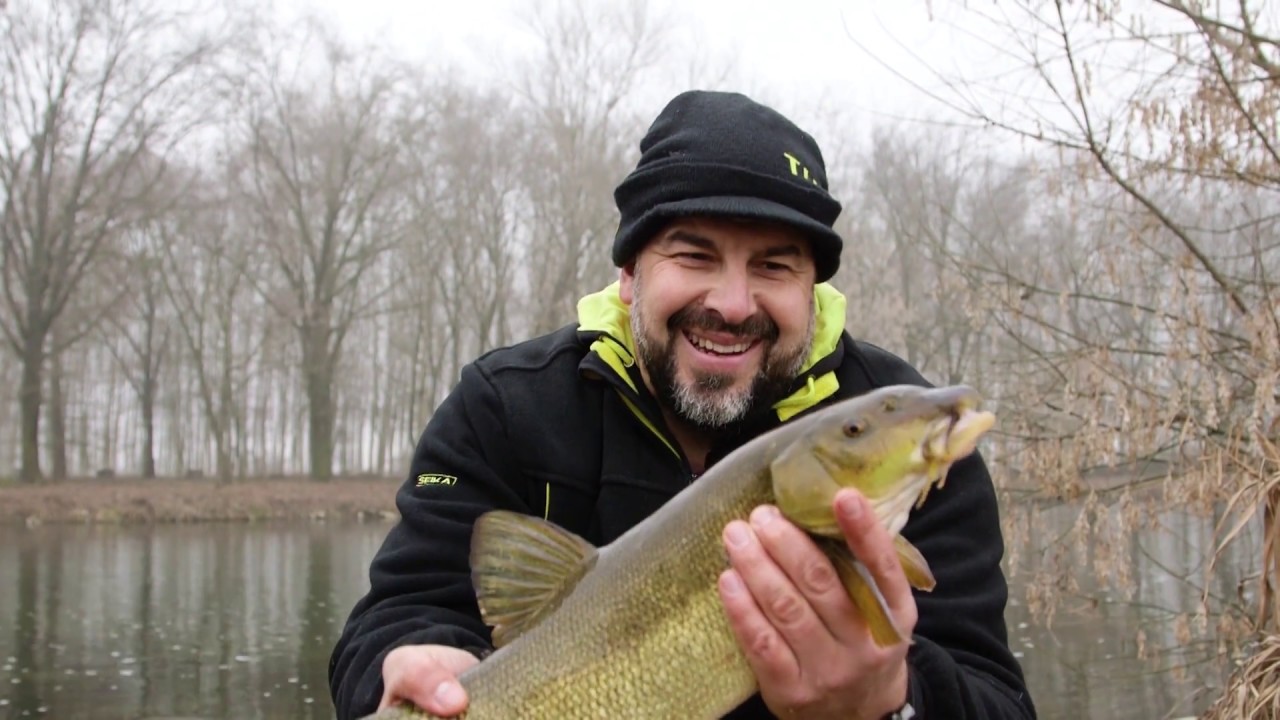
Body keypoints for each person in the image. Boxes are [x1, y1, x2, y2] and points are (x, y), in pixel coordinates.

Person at [329, 89, 1037, 720]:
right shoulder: (505, 404)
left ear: (812, 289)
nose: (731, 305)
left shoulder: (901, 444)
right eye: (694, 256)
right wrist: (412, 661)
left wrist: (893, 702)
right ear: (631, 275)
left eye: (773, 265)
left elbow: (998, 700)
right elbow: (398, 613)